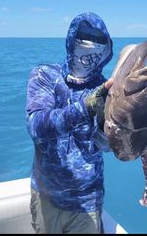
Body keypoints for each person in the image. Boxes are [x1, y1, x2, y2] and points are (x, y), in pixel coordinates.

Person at [25, 12, 114, 234]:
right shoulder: (45, 75)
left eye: (98, 40)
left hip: (88, 201)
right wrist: (86, 107)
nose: (91, 45)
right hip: (47, 196)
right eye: (84, 37)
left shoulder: (107, 89)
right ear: (71, 39)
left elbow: (111, 146)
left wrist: (112, 134)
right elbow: (36, 126)